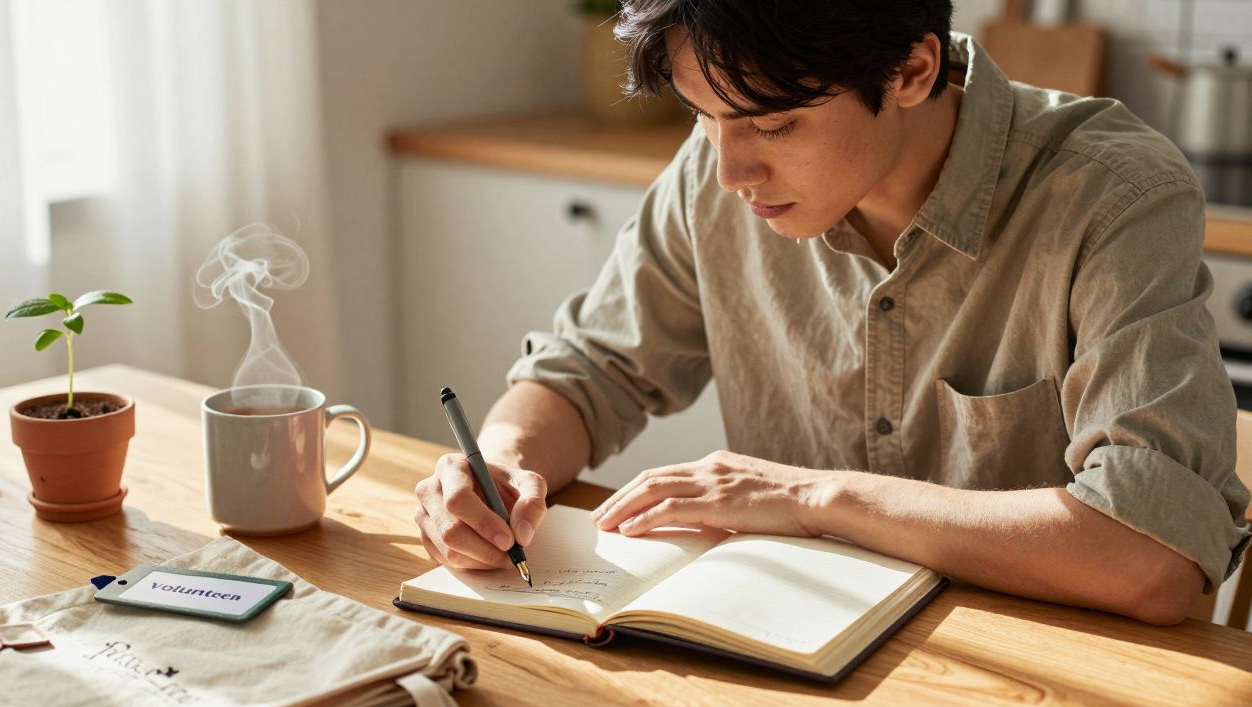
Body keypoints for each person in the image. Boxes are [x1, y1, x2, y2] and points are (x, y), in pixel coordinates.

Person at [412, 0, 1250, 625]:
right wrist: (500, 462)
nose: (732, 169)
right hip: (782, 644)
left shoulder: (1112, 196)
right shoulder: (720, 172)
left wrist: (814, 499)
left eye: (773, 125)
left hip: (1028, 679)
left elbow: (1152, 556)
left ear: (912, 72)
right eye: (703, 117)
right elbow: (594, 366)